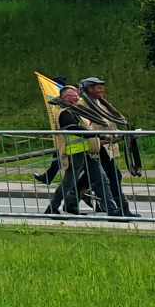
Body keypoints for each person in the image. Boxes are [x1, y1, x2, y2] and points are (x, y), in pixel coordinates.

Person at [47, 85, 121, 217]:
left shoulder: (76, 110)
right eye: (72, 95)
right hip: (76, 153)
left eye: (76, 94)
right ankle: (52, 207)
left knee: (101, 179)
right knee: (68, 183)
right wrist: (98, 135)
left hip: (88, 150)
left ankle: (112, 210)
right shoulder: (64, 112)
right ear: (64, 98)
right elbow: (74, 128)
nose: (76, 96)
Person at [79, 78, 136, 217]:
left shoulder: (103, 104)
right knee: (113, 176)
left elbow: (110, 121)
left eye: (101, 87)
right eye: (97, 88)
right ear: (89, 89)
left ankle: (71, 198)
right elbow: (85, 125)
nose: (101, 90)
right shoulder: (82, 105)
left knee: (91, 178)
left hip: (107, 146)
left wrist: (117, 134)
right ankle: (121, 208)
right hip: (95, 146)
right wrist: (101, 137)